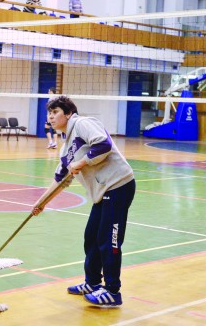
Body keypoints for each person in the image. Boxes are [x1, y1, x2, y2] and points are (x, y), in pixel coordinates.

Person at [32, 96, 135, 307]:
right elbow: (61, 180)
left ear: (68, 113)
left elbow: (103, 144)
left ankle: (113, 291)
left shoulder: (82, 124)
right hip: (102, 192)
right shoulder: (65, 148)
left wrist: (82, 161)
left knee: (109, 240)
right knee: (91, 238)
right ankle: (93, 283)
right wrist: (41, 203)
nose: (51, 116)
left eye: (56, 111)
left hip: (117, 185)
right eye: (49, 113)